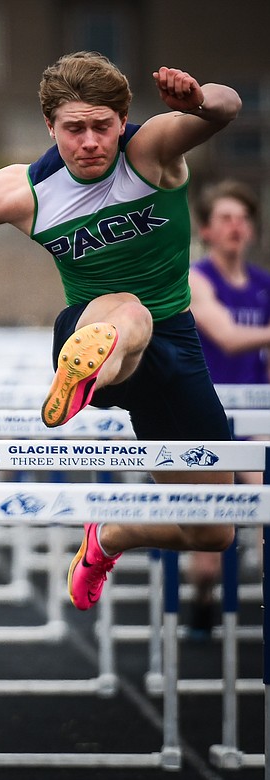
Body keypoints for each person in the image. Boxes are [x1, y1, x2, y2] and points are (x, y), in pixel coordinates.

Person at [0, 51, 243, 611]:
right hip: (89, 327)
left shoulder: (151, 151)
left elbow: (227, 108)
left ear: (123, 120)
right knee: (129, 311)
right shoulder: (28, 192)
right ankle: (87, 375)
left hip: (173, 351)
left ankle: (111, 535)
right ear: (49, 127)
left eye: (102, 127)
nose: (89, 142)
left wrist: (199, 100)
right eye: (74, 129)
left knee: (216, 529)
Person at [185, 179, 268, 637]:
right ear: (207, 230)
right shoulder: (196, 280)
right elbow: (231, 338)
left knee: (267, 498)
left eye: (243, 218)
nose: (236, 227)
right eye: (225, 219)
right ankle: (200, 600)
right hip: (206, 416)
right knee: (209, 555)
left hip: (255, 419)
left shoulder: (264, 285)